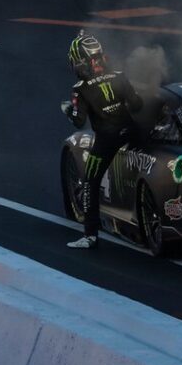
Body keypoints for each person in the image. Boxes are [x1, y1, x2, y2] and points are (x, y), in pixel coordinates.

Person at [61, 33, 143, 249]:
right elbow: (137, 105)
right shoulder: (120, 76)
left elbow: (79, 122)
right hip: (132, 132)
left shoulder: (80, 89)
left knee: (89, 182)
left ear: (82, 62)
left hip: (108, 139)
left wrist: (68, 110)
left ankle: (90, 236)